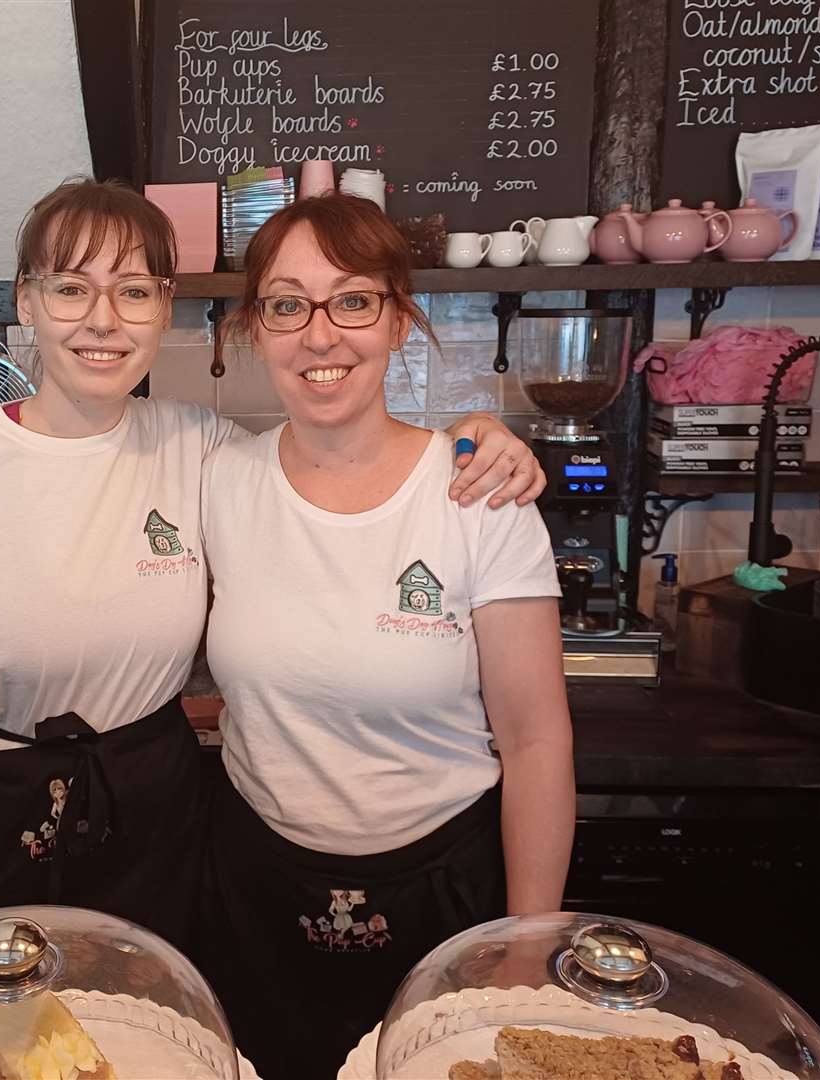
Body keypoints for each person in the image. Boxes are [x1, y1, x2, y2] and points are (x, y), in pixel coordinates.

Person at [0, 178, 546, 953]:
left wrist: (482, 433)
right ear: (27, 300)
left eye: (134, 290)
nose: (103, 320)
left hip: (160, 820)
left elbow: (332, 498)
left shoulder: (198, 447)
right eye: (72, 288)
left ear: (164, 305)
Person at [197, 194, 575, 1078]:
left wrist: (527, 946)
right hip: (254, 884)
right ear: (257, 329)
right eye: (288, 304)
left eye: (353, 300)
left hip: (443, 890)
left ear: (399, 319)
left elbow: (536, 738)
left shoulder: (479, 495)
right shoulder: (219, 481)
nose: (320, 334)